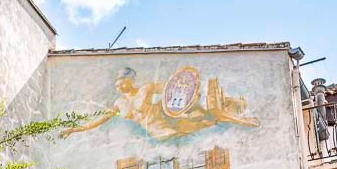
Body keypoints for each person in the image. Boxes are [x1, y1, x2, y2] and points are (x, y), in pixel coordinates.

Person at [59, 67, 259, 141]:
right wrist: (76, 129)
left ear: (130, 79)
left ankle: (242, 119)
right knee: (209, 118)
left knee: (210, 114)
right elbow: (100, 120)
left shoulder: (146, 88)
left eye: (121, 81)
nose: (117, 85)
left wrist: (190, 93)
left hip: (168, 118)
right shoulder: (119, 104)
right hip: (159, 131)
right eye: (116, 82)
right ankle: (234, 112)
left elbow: (174, 88)